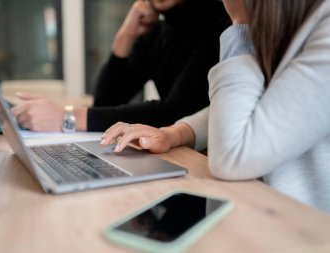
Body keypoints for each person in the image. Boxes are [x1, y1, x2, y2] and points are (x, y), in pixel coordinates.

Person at [101, 0, 330, 213]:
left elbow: (233, 156)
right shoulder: (287, 22)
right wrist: (175, 134)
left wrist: (240, 24)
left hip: (302, 228)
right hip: (254, 209)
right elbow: (266, 108)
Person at [11, 0, 229, 132]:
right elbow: (105, 101)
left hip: (204, 163)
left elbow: (175, 113)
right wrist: (124, 37)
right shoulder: (158, 32)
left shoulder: (220, 24)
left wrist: (66, 118)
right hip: (174, 154)